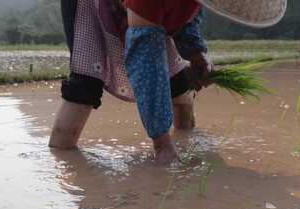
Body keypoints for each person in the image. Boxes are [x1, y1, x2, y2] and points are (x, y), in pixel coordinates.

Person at [49, 0, 287, 164]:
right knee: (86, 84)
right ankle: (63, 161)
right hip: (92, 6)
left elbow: (187, 13)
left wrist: (196, 51)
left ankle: (184, 138)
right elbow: (145, 54)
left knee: (179, 87)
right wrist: (161, 143)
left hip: (148, 16)